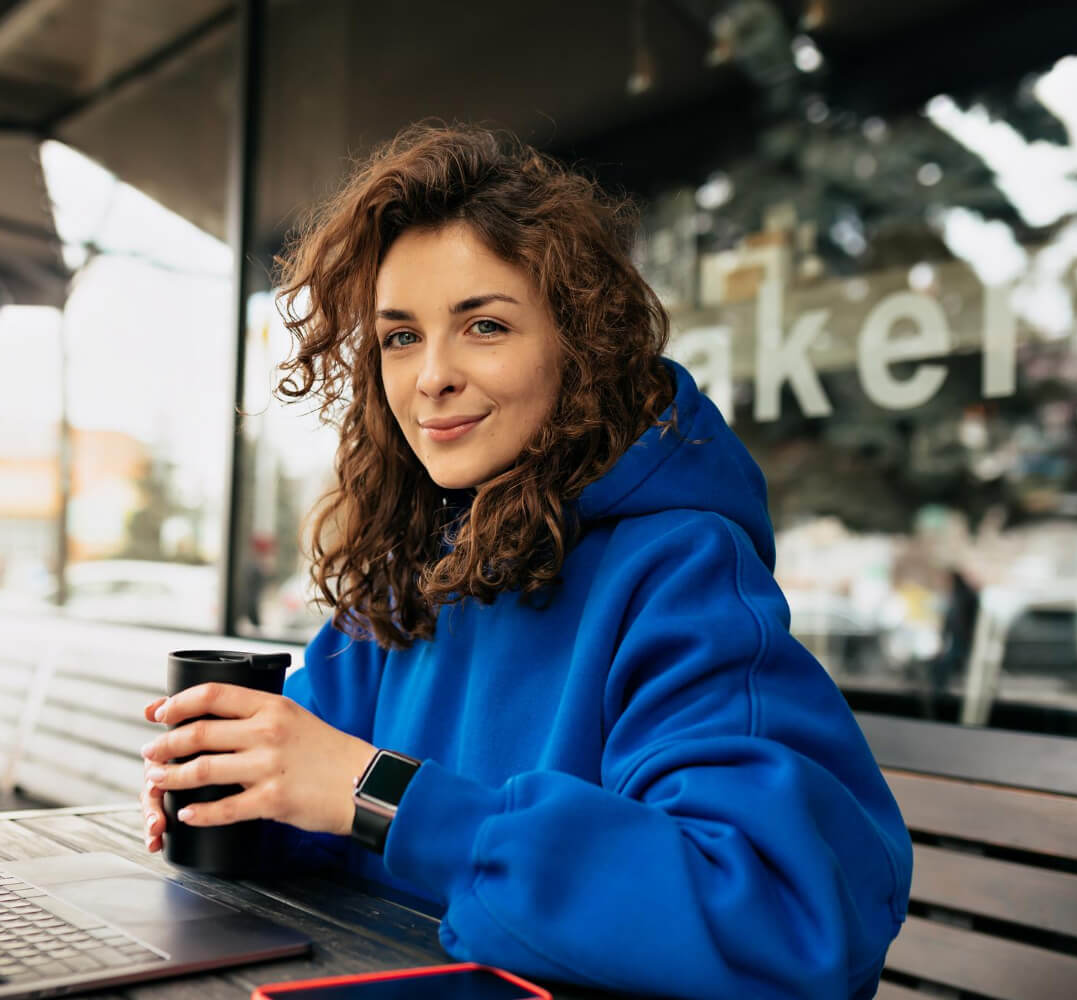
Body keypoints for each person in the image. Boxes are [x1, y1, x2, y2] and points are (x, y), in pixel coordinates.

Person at [140, 124, 912, 998]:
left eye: (484, 325)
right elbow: (326, 795)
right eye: (400, 337)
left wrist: (380, 793)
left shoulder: (679, 570)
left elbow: (781, 916)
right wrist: (238, 798)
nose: (431, 376)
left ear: (577, 348)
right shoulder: (408, 562)